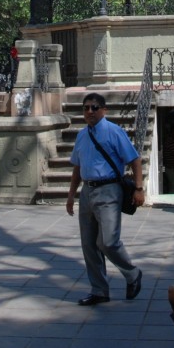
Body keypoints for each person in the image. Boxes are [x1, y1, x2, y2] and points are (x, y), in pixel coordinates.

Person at [65, 92, 145, 306]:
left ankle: (132, 273)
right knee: (89, 245)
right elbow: (77, 166)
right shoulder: (82, 135)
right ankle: (99, 289)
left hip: (109, 190)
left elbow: (135, 159)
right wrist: (71, 195)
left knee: (108, 241)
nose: (89, 111)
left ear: (104, 110)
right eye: (86, 108)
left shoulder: (113, 132)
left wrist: (139, 188)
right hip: (87, 191)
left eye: (94, 107)